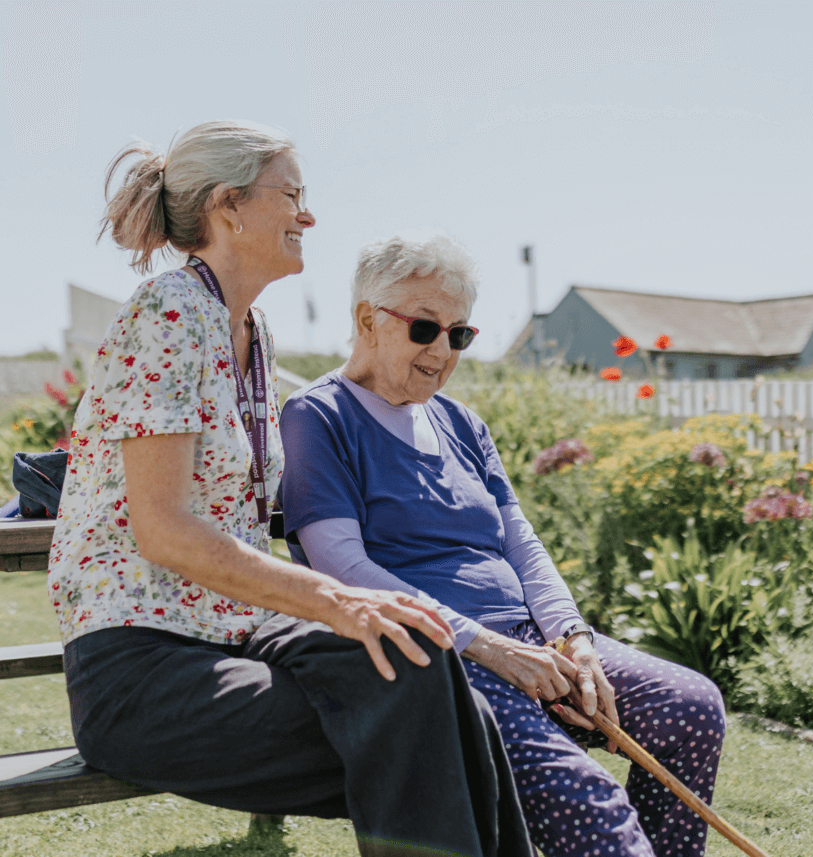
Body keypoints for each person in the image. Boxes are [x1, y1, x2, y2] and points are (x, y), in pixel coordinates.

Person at [47, 123, 533, 857]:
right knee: (431, 728)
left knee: (419, 655)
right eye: (293, 196)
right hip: (140, 667)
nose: (309, 216)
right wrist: (338, 598)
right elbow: (165, 530)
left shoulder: (252, 331)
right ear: (228, 207)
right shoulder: (167, 315)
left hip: (234, 635)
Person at [277, 231, 728, 857]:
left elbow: (523, 545)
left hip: (529, 641)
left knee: (691, 706)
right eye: (425, 329)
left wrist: (575, 639)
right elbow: (341, 568)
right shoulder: (317, 415)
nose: (443, 351)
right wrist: (486, 647)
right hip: (438, 660)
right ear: (366, 321)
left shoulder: (463, 423)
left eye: (459, 334)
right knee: (592, 805)